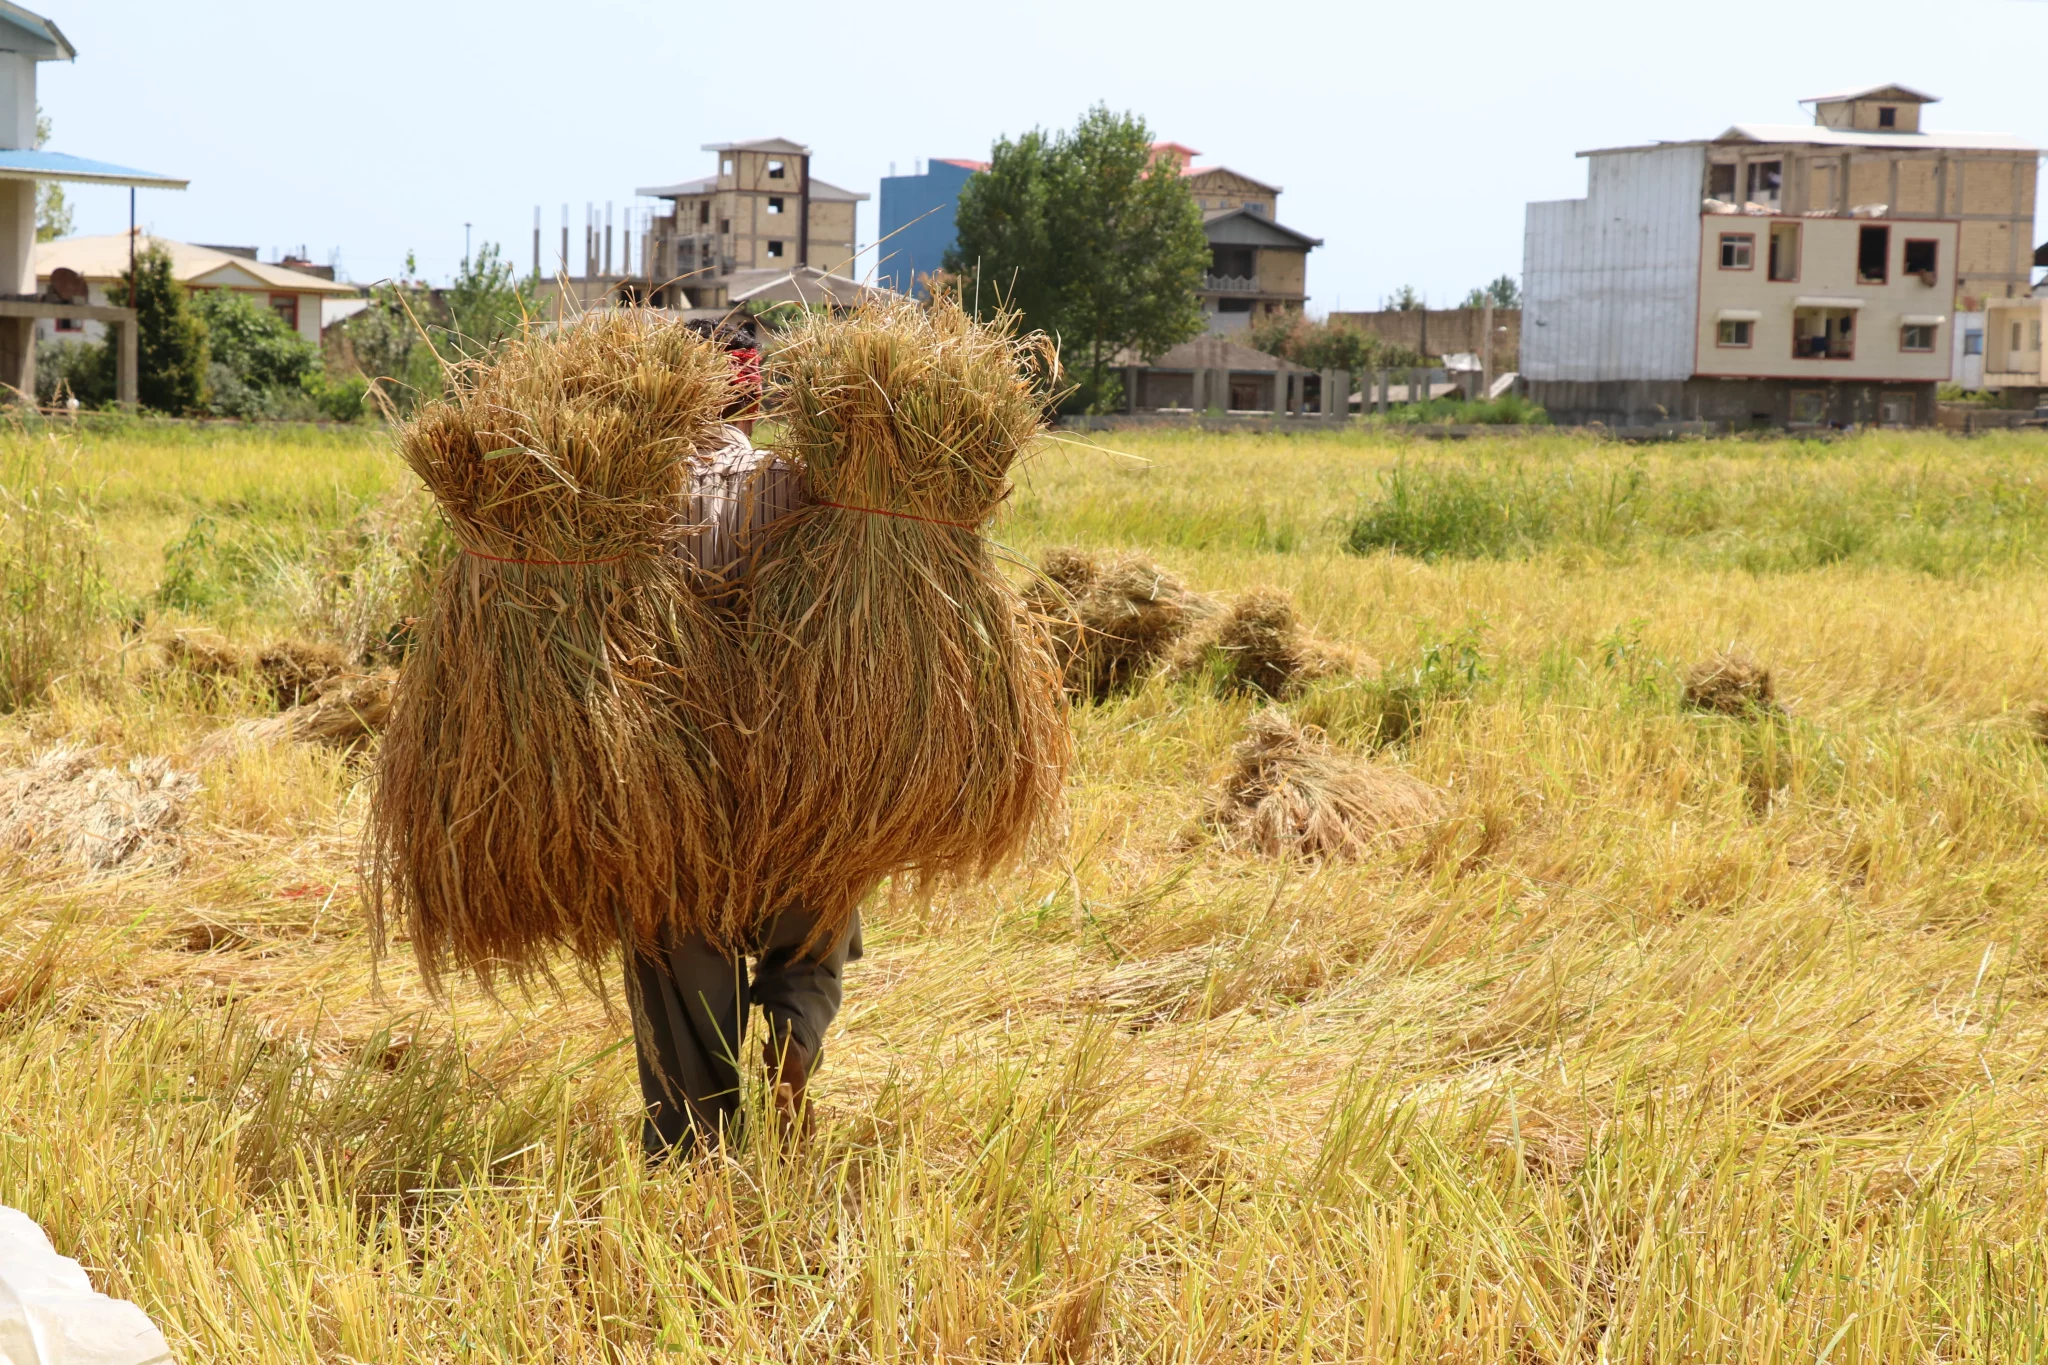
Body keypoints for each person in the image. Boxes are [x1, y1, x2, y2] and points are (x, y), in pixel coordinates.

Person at [628, 318, 861, 1158]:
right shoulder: (807, 492)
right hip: (799, 769)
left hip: (670, 776)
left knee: (678, 969)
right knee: (816, 930)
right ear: (756, 396)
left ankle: (699, 1143)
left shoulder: (624, 500)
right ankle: (793, 1039)